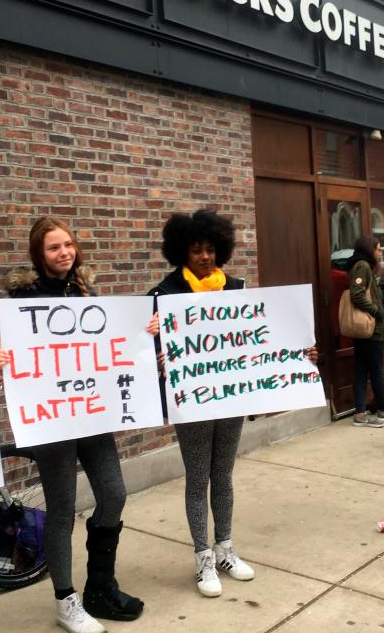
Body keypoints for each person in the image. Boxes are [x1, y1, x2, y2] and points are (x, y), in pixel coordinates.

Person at [148, 209, 317, 597]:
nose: (204, 257)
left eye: (210, 250)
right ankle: (202, 557)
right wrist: (156, 353)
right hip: (192, 400)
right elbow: (144, 346)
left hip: (230, 399)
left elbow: (259, 337)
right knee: (198, 478)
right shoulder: (164, 295)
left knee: (222, 475)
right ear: (181, 253)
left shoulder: (237, 288)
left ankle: (225, 548)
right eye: (195, 251)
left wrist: (297, 354)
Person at [0, 216, 144, 633]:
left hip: (92, 413)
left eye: (68, 245)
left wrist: (140, 332)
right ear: (38, 255)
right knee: (62, 509)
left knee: (114, 494)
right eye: (53, 248)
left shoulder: (86, 291)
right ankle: (66, 599)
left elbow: (109, 344)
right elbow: (18, 353)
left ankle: (100, 584)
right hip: (53, 421)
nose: (64, 253)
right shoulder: (21, 300)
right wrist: (2, 358)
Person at [344, 237, 384, 427]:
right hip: (370, 328)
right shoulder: (362, 266)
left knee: (361, 371)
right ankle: (382, 409)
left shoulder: (362, 266)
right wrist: (376, 310)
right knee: (376, 370)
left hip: (366, 329)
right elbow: (357, 294)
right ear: (369, 250)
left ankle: (361, 413)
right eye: (377, 249)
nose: (380, 252)